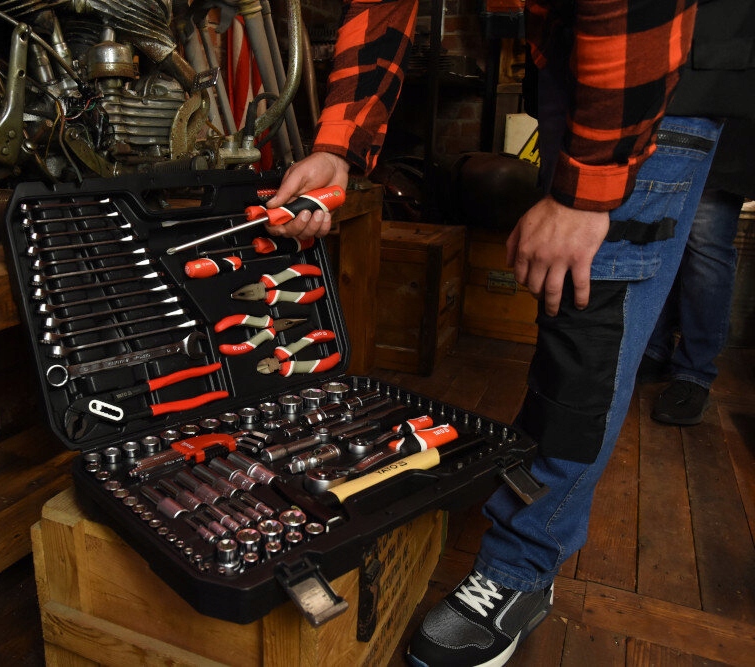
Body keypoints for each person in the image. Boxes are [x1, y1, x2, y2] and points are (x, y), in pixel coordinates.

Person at [264, 0, 754, 665]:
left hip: (652, 62)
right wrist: (337, 145)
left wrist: (585, 194)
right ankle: (530, 490)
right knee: (568, 317)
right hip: (573, 54)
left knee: (591, 324)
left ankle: (520, 568)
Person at [640, 118, 755, 425]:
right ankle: (654, 348)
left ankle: (694, 373)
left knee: (707, 244)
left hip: (729, 120)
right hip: (672, 115)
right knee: (659, 233)